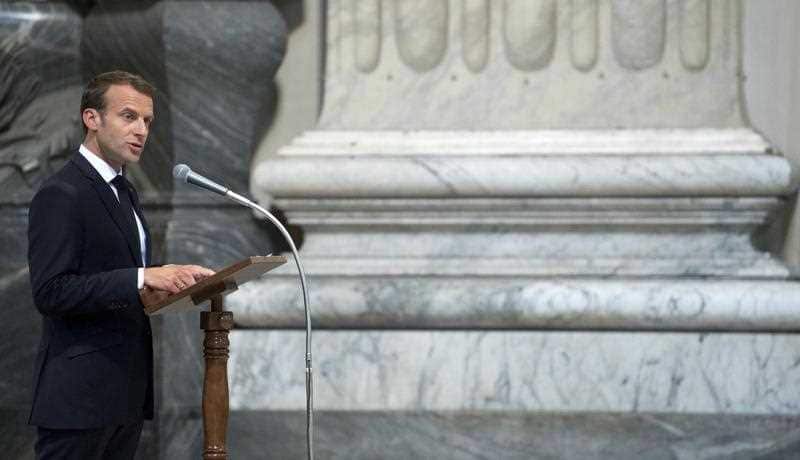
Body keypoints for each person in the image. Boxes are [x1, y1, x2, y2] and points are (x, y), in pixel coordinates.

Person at [27, 70, 214, 459]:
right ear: (91, 118)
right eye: (128, 116)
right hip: (78, 399)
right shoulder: (62, 192)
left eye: (147, 120)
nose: (141, 130)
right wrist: (142, 277)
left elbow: (118, 280)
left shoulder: (125, 191)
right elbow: (51, 292)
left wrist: (166, 285)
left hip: (123, 393)